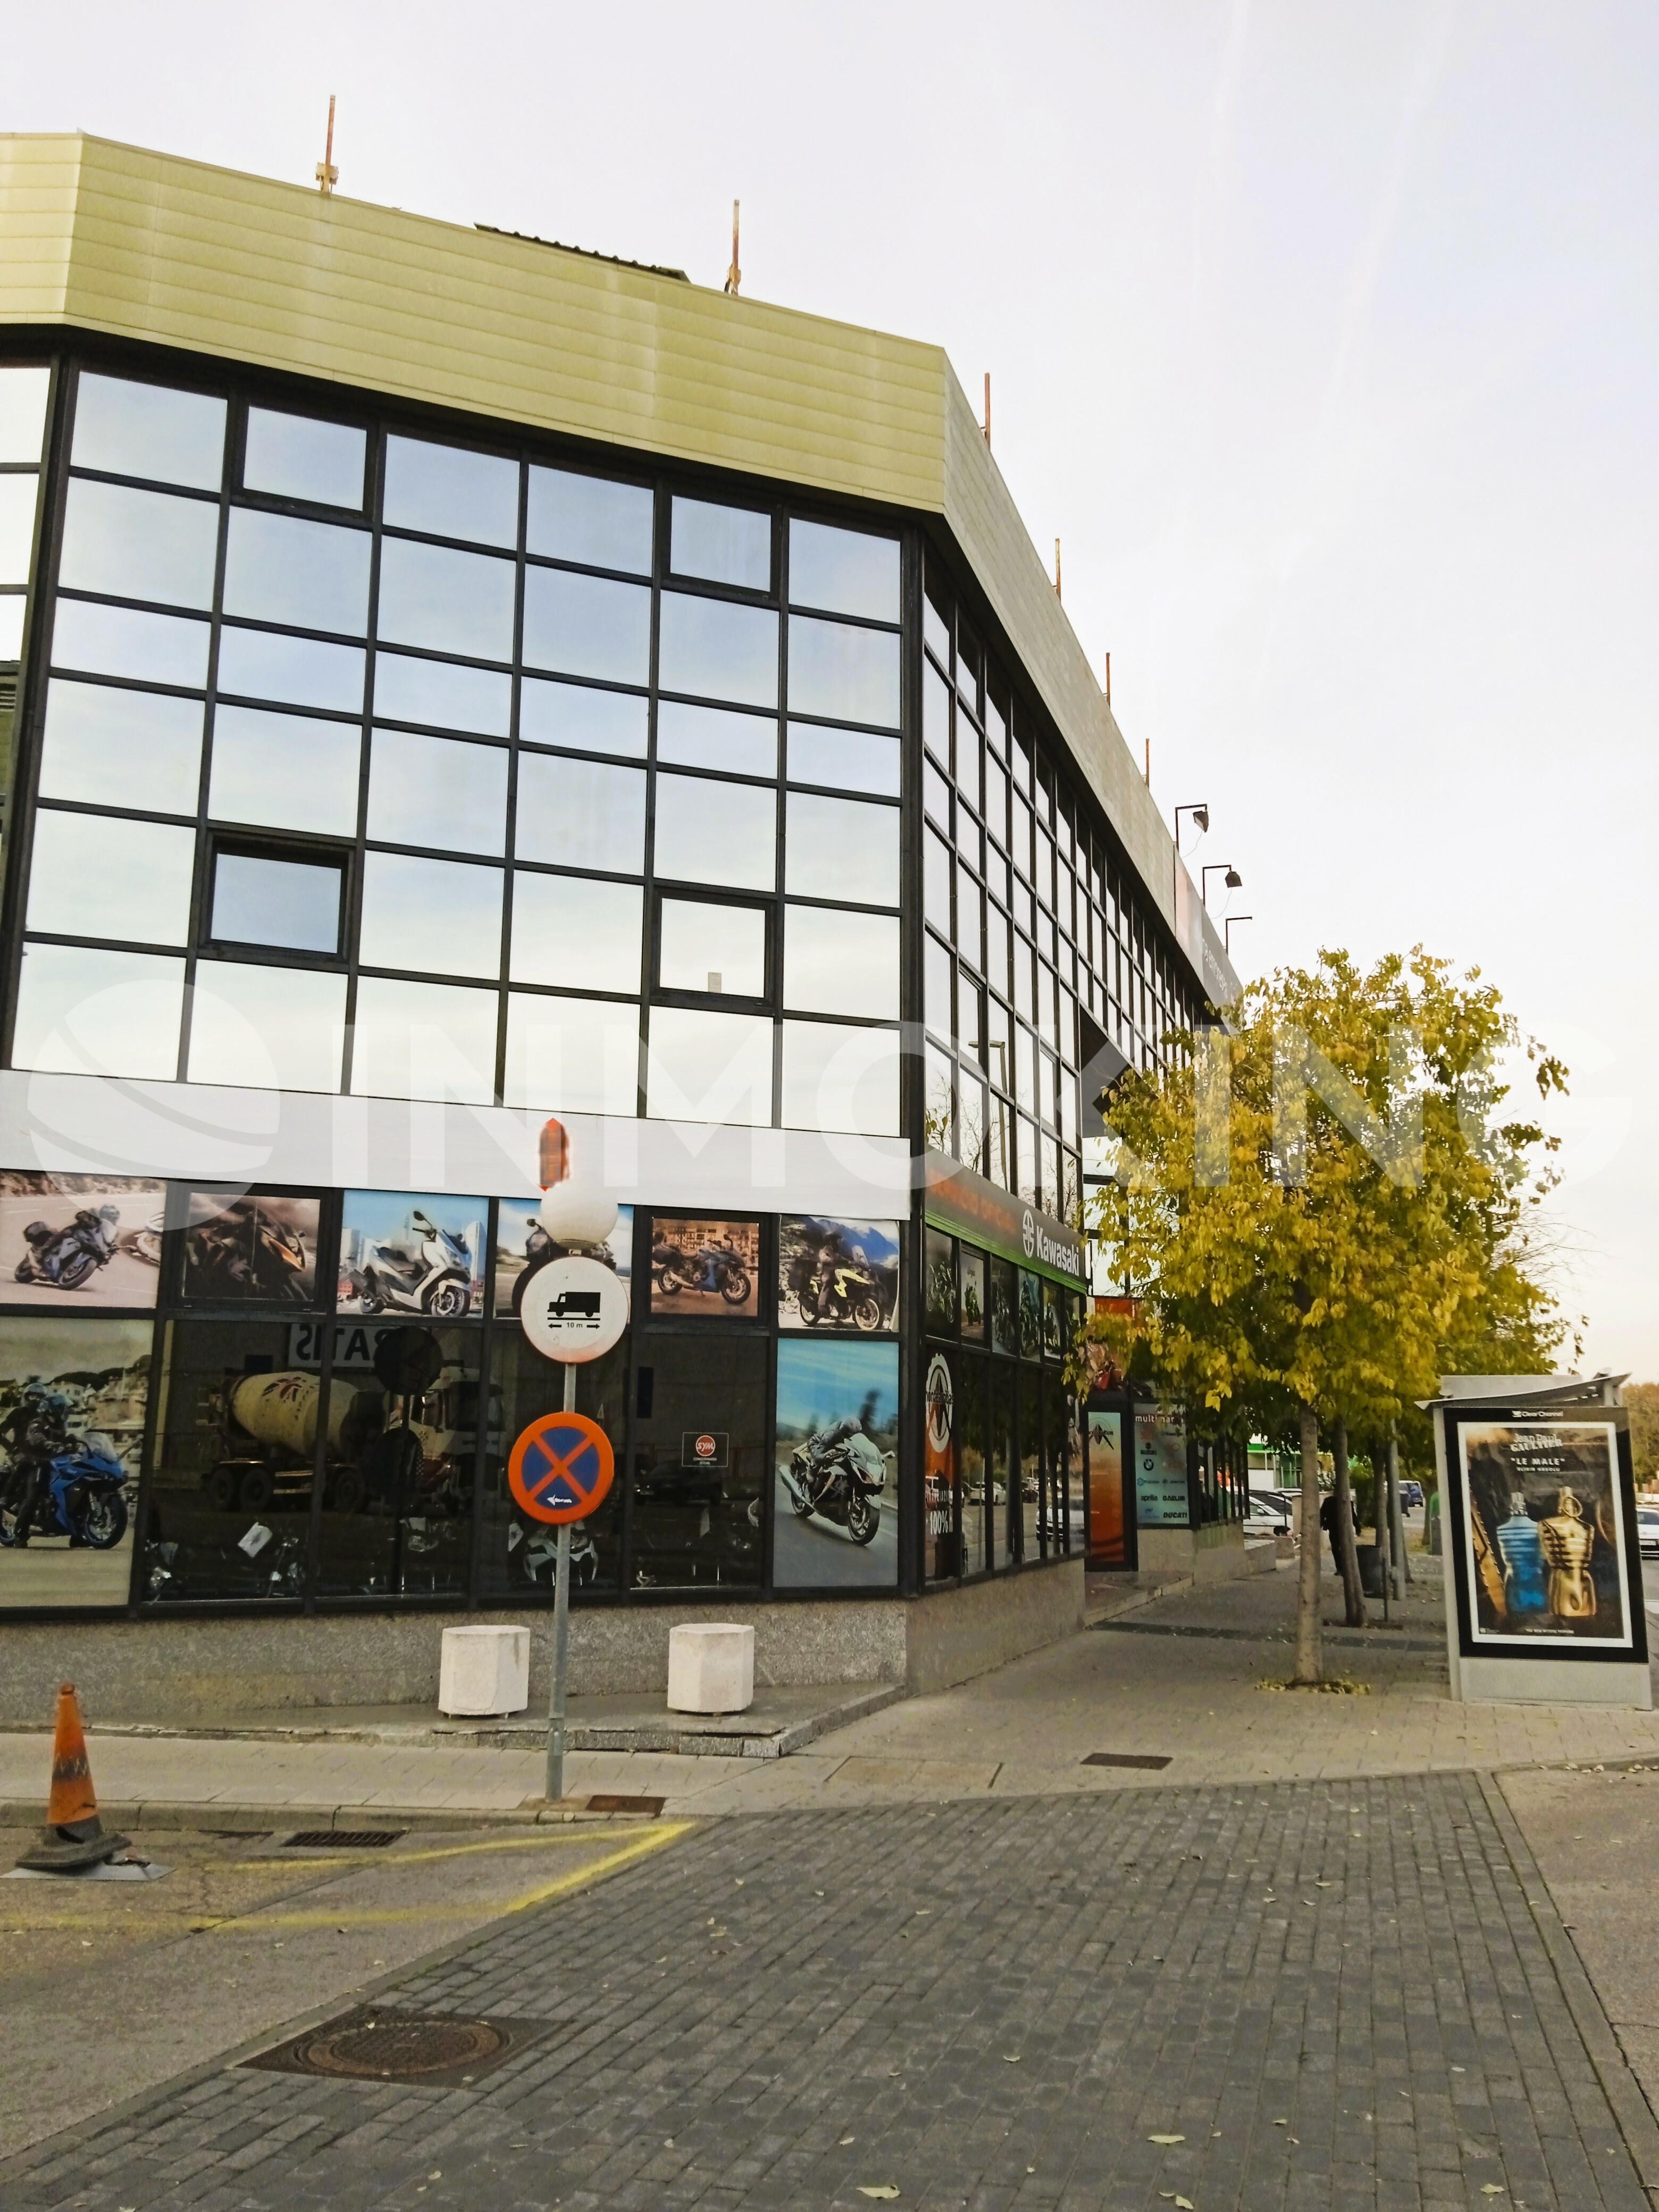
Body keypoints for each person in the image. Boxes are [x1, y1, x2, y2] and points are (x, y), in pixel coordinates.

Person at [1319, 1488, 1358, 1574]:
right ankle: (1342, 1568)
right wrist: (1358, 1528)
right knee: (1339, 1549)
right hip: (1339, 1529)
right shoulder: (1330, 1501)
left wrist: (1320, 1525)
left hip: (1339, 1529)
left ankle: (1341, 1568)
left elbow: (1353, 1516)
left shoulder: (1333, 1501)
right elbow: (1322, 1514)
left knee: (1337, 1549)